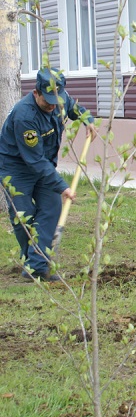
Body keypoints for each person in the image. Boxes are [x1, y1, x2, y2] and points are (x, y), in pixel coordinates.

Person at [0, 68, 96, 282]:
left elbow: (73, 107)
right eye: (48, 101)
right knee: (23, 216)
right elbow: (33, 160)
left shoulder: (59, 99)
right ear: (36, 93)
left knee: (51, 208)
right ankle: (35, 264)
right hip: (16, 167)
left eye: (57, 100)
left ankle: (36, 267)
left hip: (43, 163)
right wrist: (62, 185)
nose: (53, 105)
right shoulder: (25, 116)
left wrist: (87, 119)